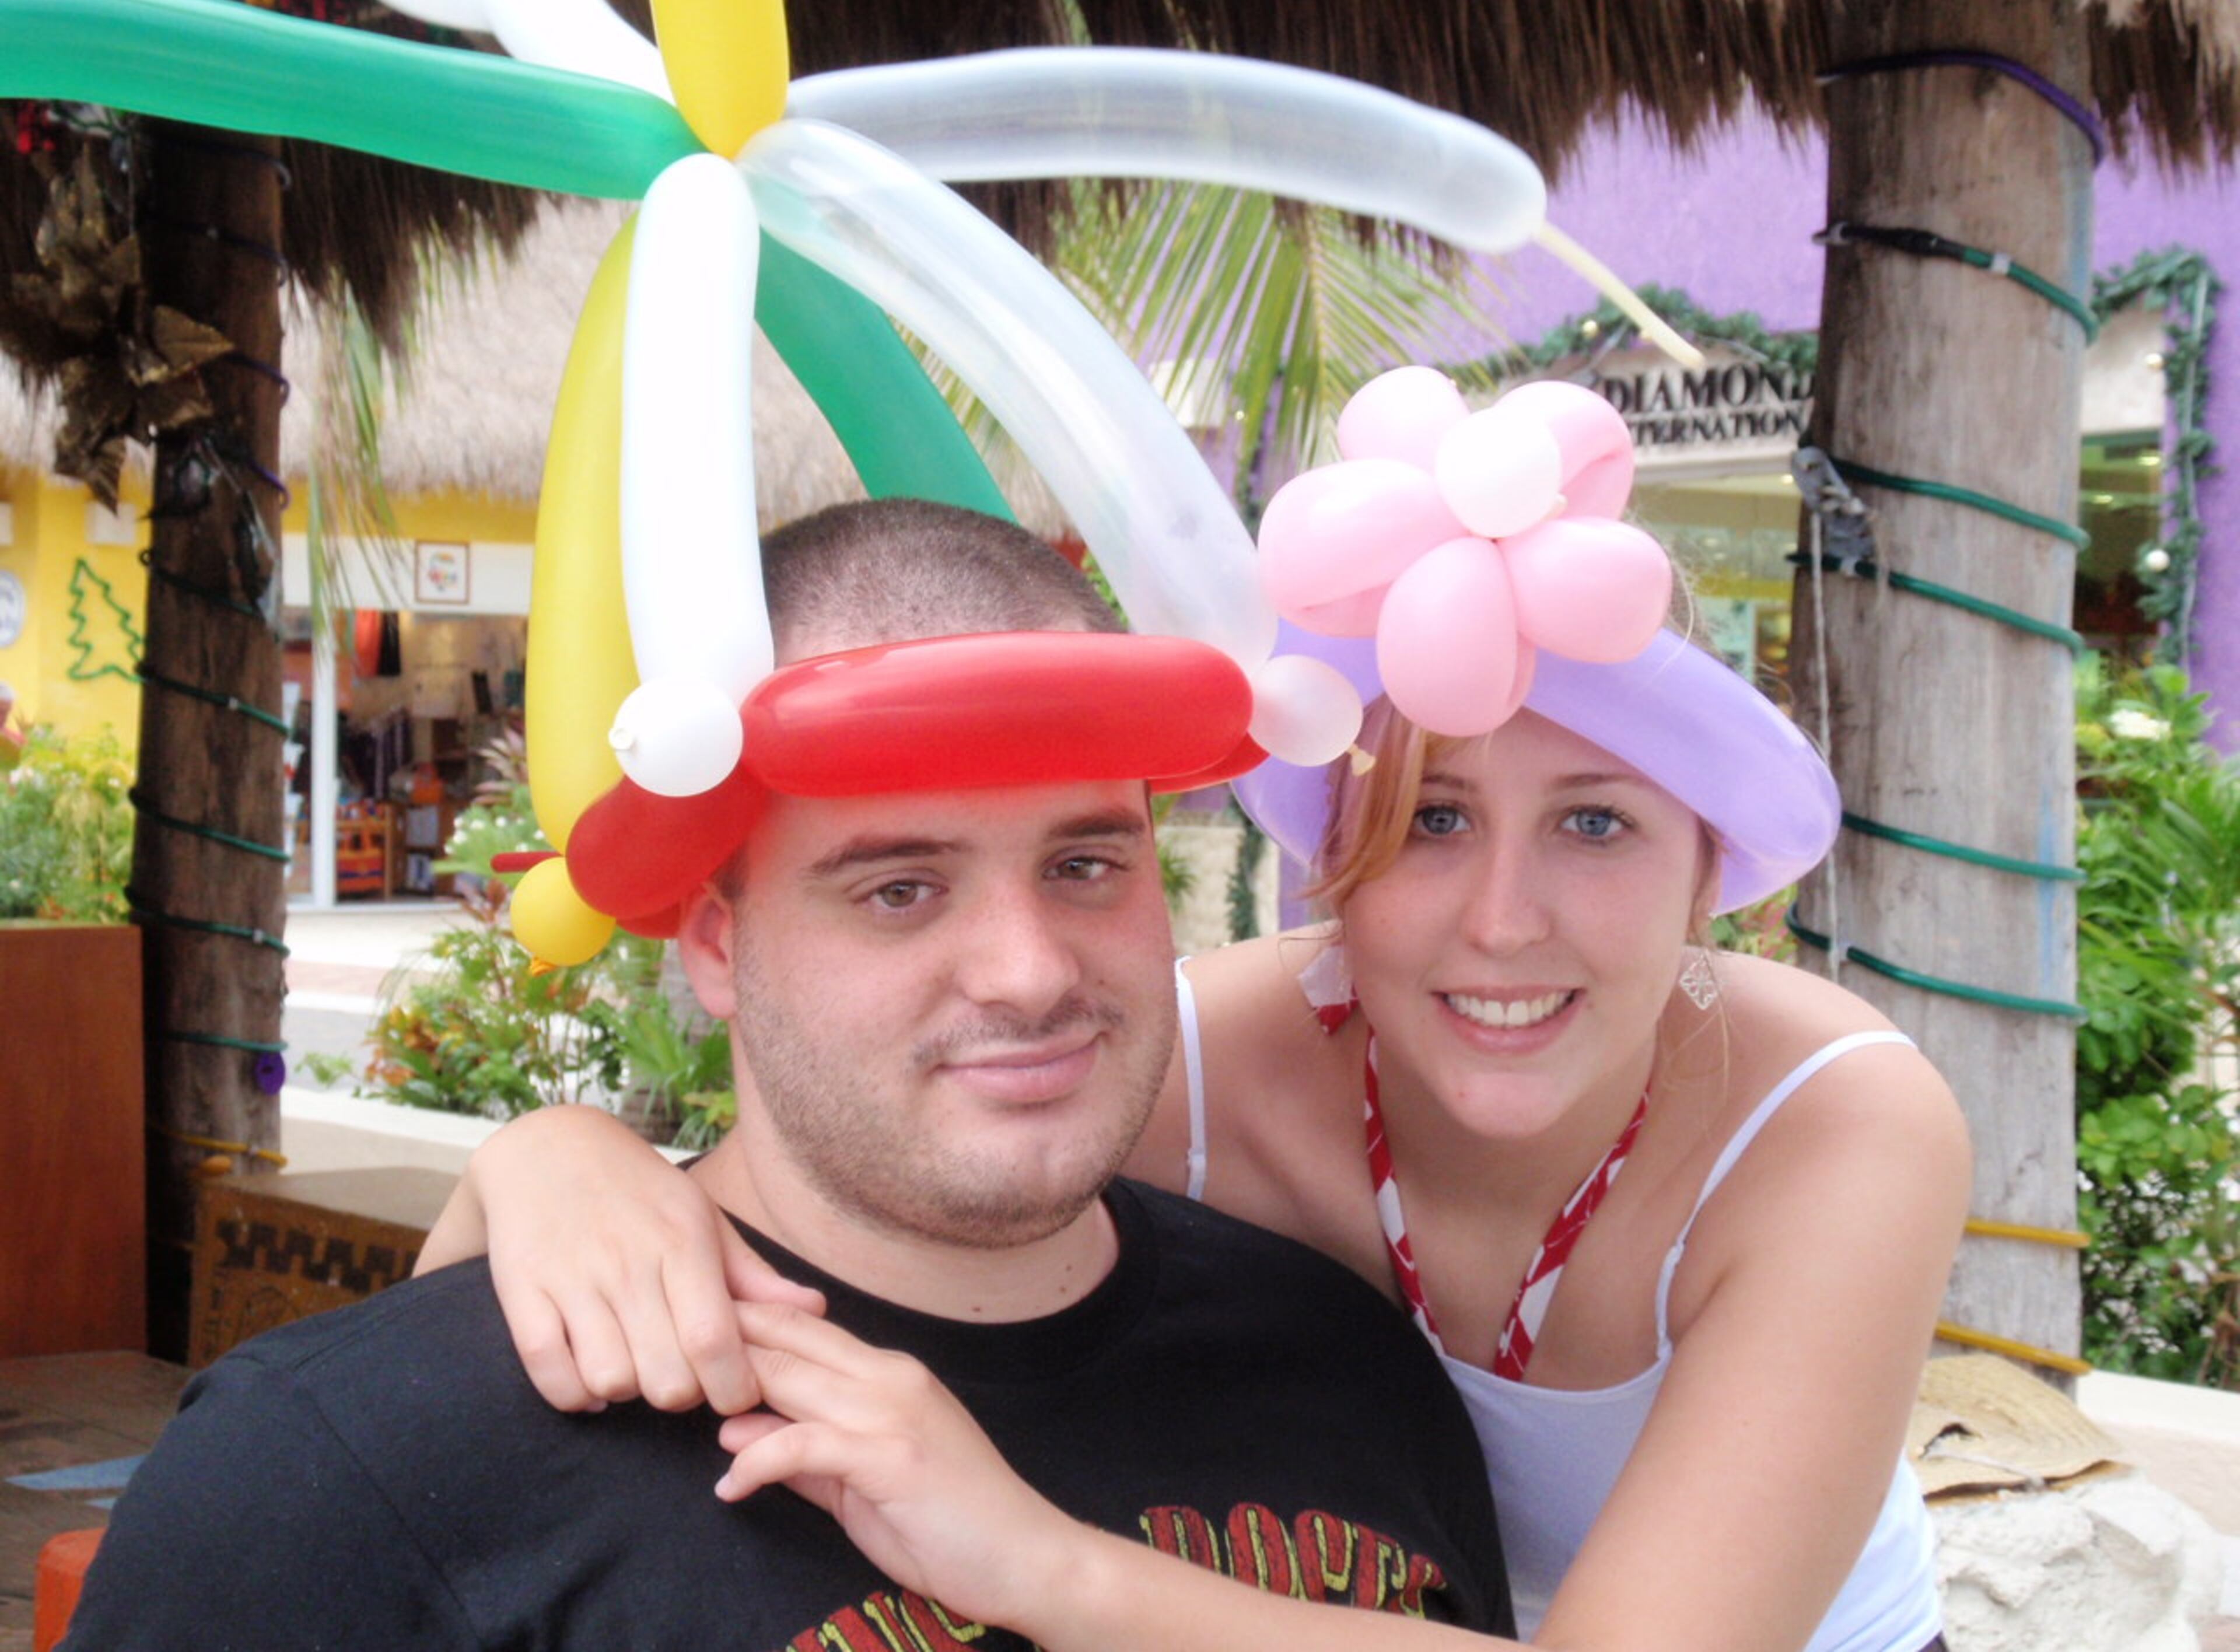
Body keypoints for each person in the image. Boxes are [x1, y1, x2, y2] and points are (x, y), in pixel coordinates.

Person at [425, 436, 1971, 1651]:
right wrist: (551, 1162)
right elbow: (837, 1154)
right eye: (1432, 819)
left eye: (1596, 823)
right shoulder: (1176, 1056)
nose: (1506, 920)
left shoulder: (1833, 1130)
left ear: (1708, 871)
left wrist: (1035, 1566)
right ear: (1333, 859)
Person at [60, 501, 1513, 1651]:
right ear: (714, 940)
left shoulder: (1344, 1362)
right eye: (898, 890)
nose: (1028, 970)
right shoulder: (349, 1470)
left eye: (1085, 863)